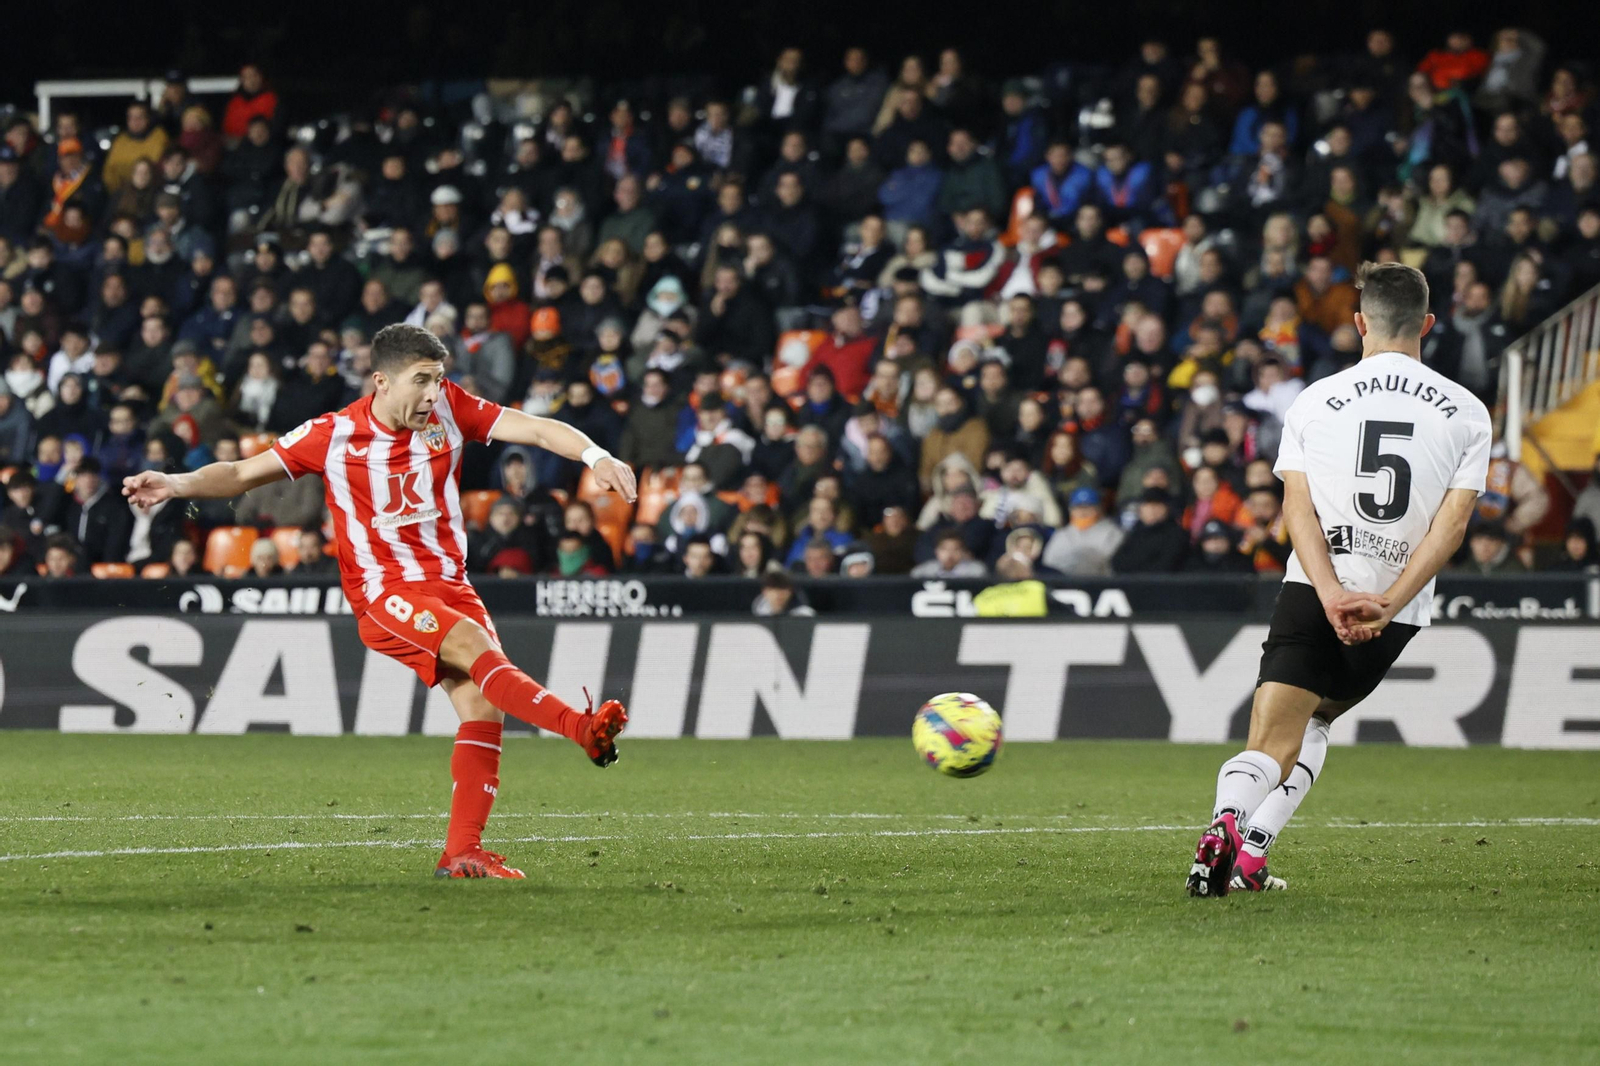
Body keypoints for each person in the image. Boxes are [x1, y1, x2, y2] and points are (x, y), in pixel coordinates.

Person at [121, 324, 639, 880]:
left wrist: (595, 455)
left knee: (481, 706)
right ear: (381, 382)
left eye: (439, 380)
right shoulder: (334, 434)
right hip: (384, 591)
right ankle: (579, 728)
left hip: (451, 583)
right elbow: (242, 473)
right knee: (473, 646)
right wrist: (175, 484)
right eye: (421, 381)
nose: (433, 394)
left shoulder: (451, 410)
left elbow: (534, 429)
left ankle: (462, 852)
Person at [1186, 262, 1492, 899]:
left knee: (1272, 738)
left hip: (1311, 592)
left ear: (1359, 323)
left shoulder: (1314, 400)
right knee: (1318, 724)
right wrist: (1384, 604)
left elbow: (1295, 509)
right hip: (1393, 607)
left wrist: (1327, 593)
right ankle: (1252, 854)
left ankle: (1227, 822)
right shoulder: (1467, 412)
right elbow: (1452, 527)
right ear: (1428, 325)